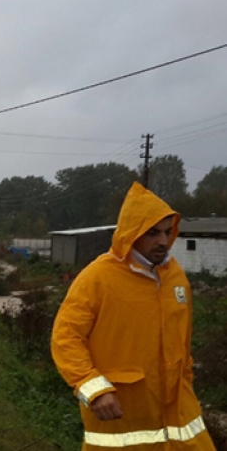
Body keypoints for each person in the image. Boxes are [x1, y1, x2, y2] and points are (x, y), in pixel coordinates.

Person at [51, 182, 215, 451]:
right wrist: (94, 389)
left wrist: (185, 383)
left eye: (166, 232)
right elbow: (66, 338)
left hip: (179, 413)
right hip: (122, 414)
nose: (162, 241)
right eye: (152, 233)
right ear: (132, 233)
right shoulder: (99, 278)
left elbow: (183, 346)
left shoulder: (176, 279)